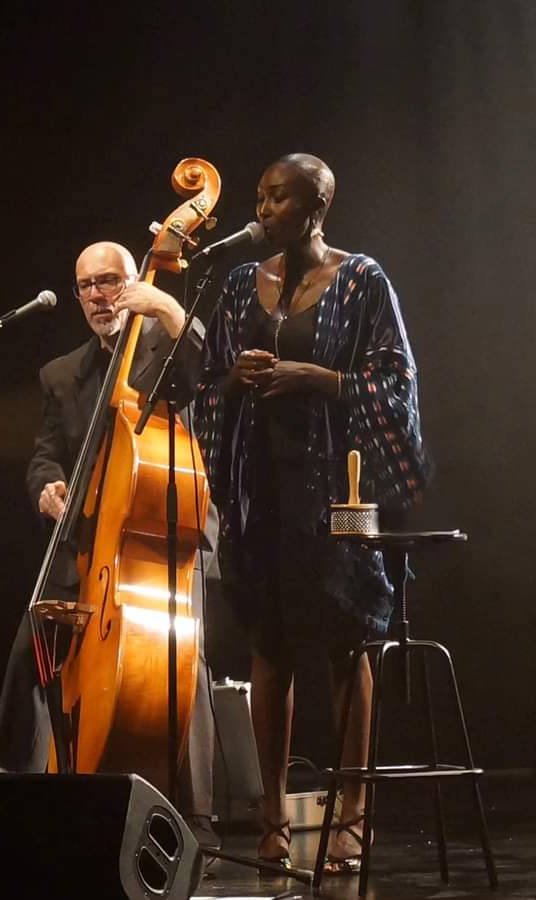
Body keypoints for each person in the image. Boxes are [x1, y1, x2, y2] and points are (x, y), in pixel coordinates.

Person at [194, 153, 431, 873]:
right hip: (259, 489)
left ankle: (351, 819)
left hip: (341, 492)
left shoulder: (361, 279)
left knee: (347, 644)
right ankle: (271, 821)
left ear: (316, 207)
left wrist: (321, 379)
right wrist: (233, 381)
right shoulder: (238, 285)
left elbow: (396, 383)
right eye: (261, 198)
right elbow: (205, 389)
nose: (262, 212)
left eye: (278, 200)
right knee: (269, 647)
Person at [0, 240, 220, 851]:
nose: (99, 295)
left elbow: (208, 364)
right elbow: (44, 455)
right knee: (31, 650)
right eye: (87, 286)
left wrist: (168, 306)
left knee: (177, 660)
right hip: (88, 540)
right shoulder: (62, 373)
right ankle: (15, 796)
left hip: (162, 528)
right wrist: (46, 488)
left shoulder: (160, 346)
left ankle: (193, 818)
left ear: (132, 281)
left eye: (111, 281)